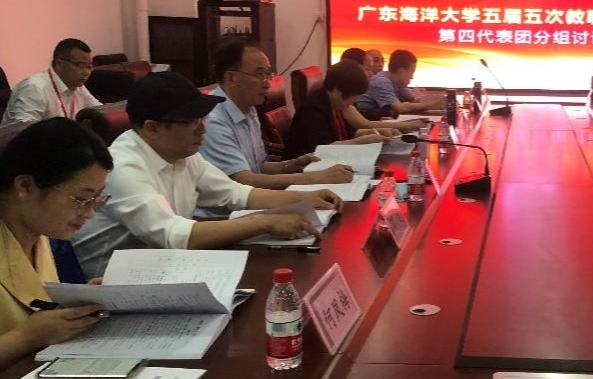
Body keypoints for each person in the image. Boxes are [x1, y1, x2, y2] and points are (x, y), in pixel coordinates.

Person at [71, 72, 343, 278]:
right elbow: (173, 235)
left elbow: (237, 194)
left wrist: (305, 197)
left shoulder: (182, 153)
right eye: (191, 121)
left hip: (165, 268)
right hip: (111, 287)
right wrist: (263, 222)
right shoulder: (122, 167)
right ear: (152, 128)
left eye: (202, 119)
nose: (202, 129)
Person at [0, 118, 112, 368]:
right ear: (26, 186)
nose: (90, 213)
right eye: (82, 199)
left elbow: (32, 303)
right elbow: (29, 328)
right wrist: (25, 338)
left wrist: (76, 302)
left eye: (97, 199)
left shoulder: (40, 232)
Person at [200, 39, 354, 189]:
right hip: (232, 205)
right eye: (260, 75)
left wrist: (292, 164)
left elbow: (259, 167)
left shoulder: (249, 109)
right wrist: (317, 177)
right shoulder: (214, 121)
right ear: (231, 78)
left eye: (268, 74)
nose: (267, 83)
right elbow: (244, 181)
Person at [284, 61, 392, 159]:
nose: (354, 101)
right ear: (338, 92)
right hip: (304, 168)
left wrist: (373, 132)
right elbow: (324, 149)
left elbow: (351, 133)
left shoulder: (334, 102)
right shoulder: (313, 110)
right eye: (354, 96)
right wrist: (360, 142)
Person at [3, 39, 102, 124]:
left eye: (89, 67)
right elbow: (24, 131)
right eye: (80, 65)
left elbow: (100, 112)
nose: (86, 72)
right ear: (59, 64)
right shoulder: (34, 88)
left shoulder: (78, 87)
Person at [339, 48, 426, 134]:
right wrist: (407, 125)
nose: (371, 74)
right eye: (368, 69)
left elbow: (355, 131)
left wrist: (380, 127)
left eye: (382, 61)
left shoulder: (349, 95)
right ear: (352, 69)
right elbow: (365, 124)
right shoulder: (340, 96)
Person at [355, 49, 444, 120]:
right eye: (411, 72)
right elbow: (400, 108)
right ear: (400, 71)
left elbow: (416, 101)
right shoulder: (381, 81)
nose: (412, 77)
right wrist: (433, 105)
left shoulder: (398, 82)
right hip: (365, 118)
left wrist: (441, 100)